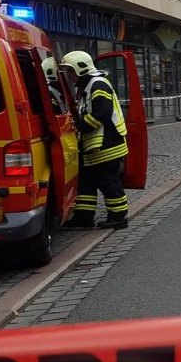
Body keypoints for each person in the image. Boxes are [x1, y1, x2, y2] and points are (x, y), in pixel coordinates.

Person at [58, 51, 130, 230]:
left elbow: (102, 114)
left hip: (107, 144)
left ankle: (118, 217)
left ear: (80, 68)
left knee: (108, 182)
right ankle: (83, 218)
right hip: (95, 146)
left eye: (70, 70)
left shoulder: (98, 85)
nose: (69, 75)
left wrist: (78, 126)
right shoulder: (87, 86)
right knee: (86, 182)